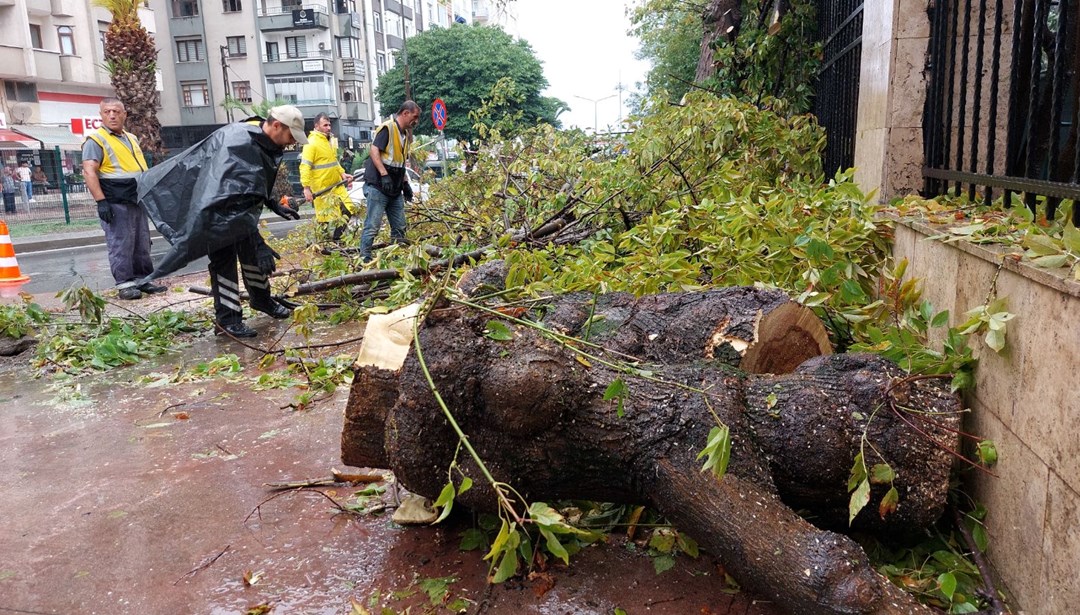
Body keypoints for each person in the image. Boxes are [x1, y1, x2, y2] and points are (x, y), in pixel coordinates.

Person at [136, 106, 307, 338]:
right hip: (215, 214)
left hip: (238, 213)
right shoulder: (239, 143)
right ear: (276, 125)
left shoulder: (260, 140)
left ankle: (262, 300)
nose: (289, 143)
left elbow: (251, 185)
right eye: (290, 137)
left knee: (253, 256)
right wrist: (258, 243)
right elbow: (232, 199)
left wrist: (273, 203)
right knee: (224, 260)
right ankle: (228, 321)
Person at [82, 97, 164, 301]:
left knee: (141, 242)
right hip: (115, 201)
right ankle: (125, 284)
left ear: (124, 114)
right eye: (107, 111)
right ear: (101, 115)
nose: (112, 115)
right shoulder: (96, 141)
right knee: (121, 243)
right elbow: (89, 172)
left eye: (116, 111)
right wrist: (101, 201)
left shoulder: (131, 138)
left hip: (135, 199)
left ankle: (143, 279)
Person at [359, 100, 421, 262]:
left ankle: (397, 260)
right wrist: (384, 174)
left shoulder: (405, 135)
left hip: (395, 189)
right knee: (372, 227)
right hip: (379, 187)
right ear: (405, 113)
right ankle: (364, 261)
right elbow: (374, 150)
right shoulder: (388, 128)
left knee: (400, 228)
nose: (416, 121)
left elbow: (400, 163)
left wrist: (406, 184)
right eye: (415, 117)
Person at [299, 112, 354, 240]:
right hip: (322, 189)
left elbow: (333, 161)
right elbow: (305, 166)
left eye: (329, 125)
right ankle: (323, 242)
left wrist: (342, 173)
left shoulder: (327, 141)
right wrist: (306, 188)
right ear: (317, 126)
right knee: (324, 219)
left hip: (336, 186)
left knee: (348, 210)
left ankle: (336, 240)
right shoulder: (311, 143)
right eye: (325, 125)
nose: (329, 128)